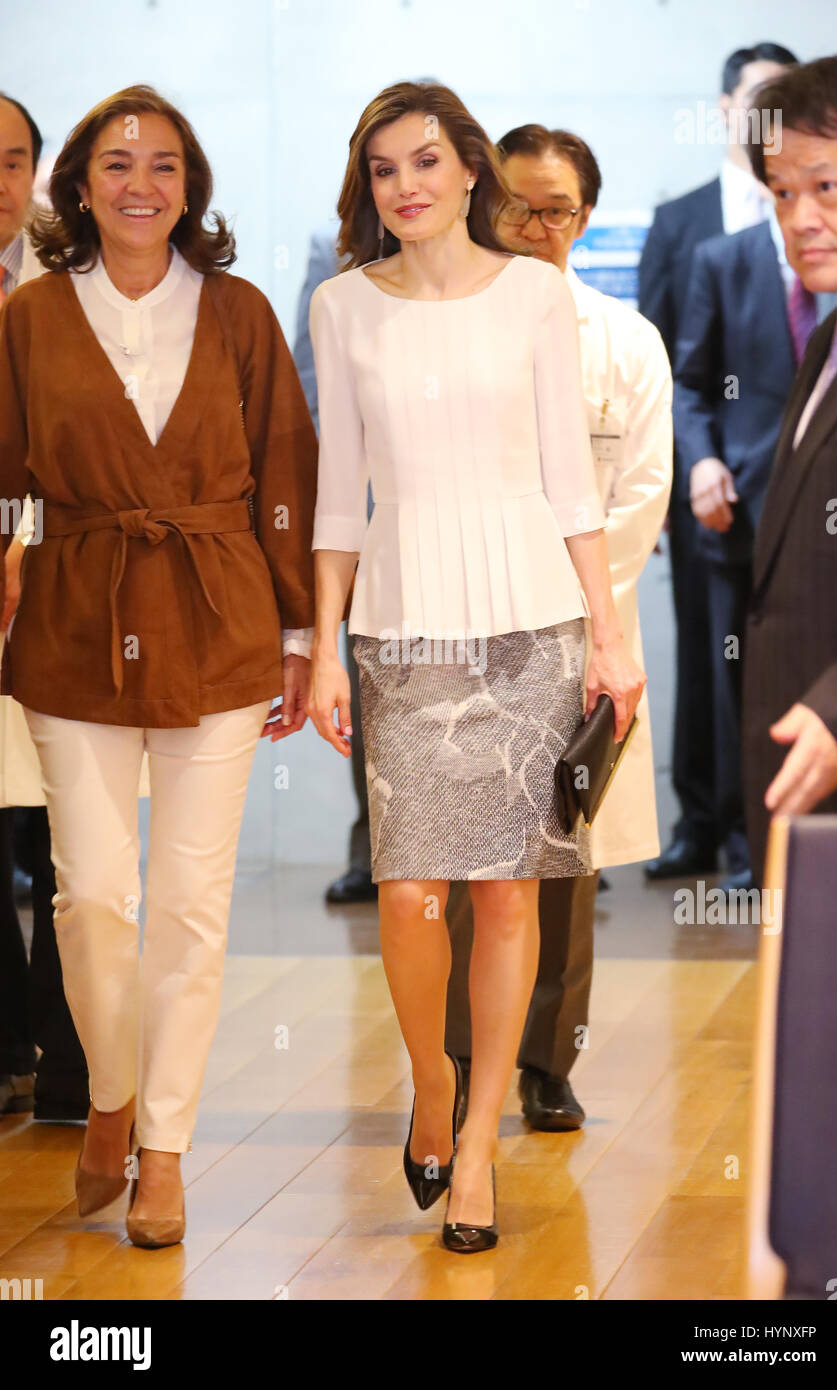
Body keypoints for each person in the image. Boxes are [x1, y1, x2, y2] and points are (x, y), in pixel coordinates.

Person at [307, 80, 644, 1253]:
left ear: (465, 172)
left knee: (508, 891)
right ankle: (433, 1085)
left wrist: (606, 634)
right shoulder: (341, 307)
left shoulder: (536, 297)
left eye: (424, 162)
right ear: (372, 188)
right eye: (383, 169)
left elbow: (569, 479)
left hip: (532, 627)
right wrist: (326, 651)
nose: (405, 185)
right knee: (411, 891)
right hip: (401, 631)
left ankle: (482, 1137)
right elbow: (334, 494)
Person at [0, 85, 317, 1246]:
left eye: (166, 166)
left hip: (217, 613)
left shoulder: (236, 312)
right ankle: (112, 1094)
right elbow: (3, 477)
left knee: (189, 903)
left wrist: (296, 636)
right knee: (87, 895)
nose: (142, 184)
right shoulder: (30, 317)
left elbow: (285, 469)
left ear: (191, 188)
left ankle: (165, 1147)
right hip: (76, 613)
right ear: (78, 184)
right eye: (119, 163)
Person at [444, 124, 671, 1131]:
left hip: (581, 635)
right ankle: (459, 1059)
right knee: (460, 851)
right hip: (459, 626)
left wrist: (561, 603)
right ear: (482, 204)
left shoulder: (623, 341)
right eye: (517, 206)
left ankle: (546, 1061)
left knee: (561, 859)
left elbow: (641, 494)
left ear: (584, 215)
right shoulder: (441, 329)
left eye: (557, 210)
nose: (536, 229)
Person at [639, 42, 798, 887]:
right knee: (708, 664)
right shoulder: (685, 223)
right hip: (708, 488)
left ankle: (765, 835)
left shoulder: (821, 214)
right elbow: (660, 367)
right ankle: (704, 823)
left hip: (800, 491)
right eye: (760, 96)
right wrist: (673, 478)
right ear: (727, 107)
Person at [673, 211, 836, 892]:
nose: (805, 207)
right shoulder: (722, 259)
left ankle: (830, 850)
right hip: (743, 515)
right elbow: (690, 384)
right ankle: (751, 848)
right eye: (786, 183)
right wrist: (702, 460)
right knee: (740, 688)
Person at [741, 52, 837, 880]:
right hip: (807, 755)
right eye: (782, 193)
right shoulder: (831, 336)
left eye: (826, 187)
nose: (800, 217)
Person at [0, 91, 98, 1124]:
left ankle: (72, 1067)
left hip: (57, 583)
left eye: (13, 158)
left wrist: (24, 540)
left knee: (66, 838)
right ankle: (4, 1055)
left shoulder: (71, 281)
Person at [293, 228, 377, 904]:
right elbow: (308, 381)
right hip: (362, 506)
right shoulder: (335, 250)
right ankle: (376, 848)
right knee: (367, 678)